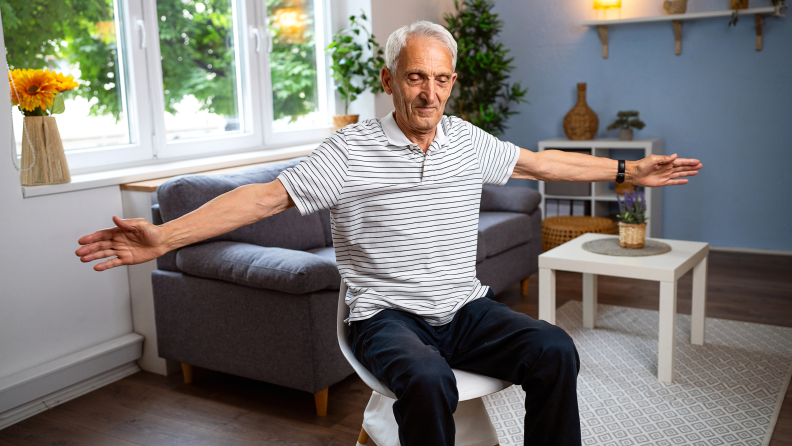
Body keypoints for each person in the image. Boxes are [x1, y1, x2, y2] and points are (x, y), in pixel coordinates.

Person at [76, 21, 702, 446]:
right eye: (415, 77)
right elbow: (263, 198)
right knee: (430, 381)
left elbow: (541, 163)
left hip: (463, 307)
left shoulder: (466, 141)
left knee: (555, 349)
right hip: (384, 317)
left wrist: (629, 170)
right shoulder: (350, 150)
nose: (429, 93)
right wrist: (165, 237)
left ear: (452, 83)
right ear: (390, 81)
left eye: (440, 79)